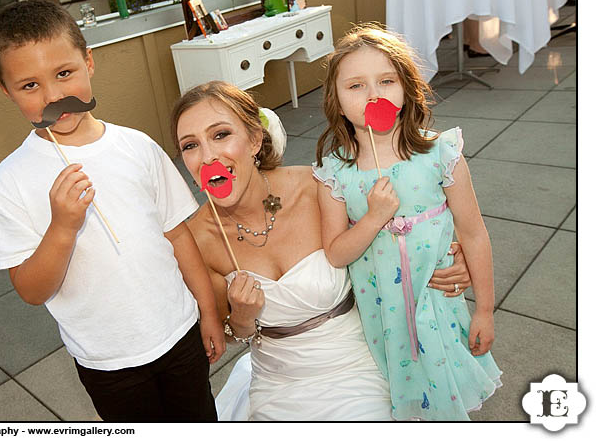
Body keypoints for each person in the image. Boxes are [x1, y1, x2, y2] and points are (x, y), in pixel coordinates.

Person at [171, 80, 473, 421]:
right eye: (190, 145)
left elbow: (399, 234)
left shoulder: (320, 187)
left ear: (255, 139)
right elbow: (233, 331)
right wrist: (241, 316)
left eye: (221, 134)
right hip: (277, 385)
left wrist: (450, 258)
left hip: (359, 365)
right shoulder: (195, 240)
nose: (207, 156)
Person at [0, 0, 225, 422]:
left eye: (64, 73)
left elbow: (178, 236)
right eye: (29, 86)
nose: (54, 96)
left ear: (89, 62)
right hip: (107, 361)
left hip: (179, 332)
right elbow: (32, 291)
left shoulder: (137, 146)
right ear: (5, 91)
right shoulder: (9, 183)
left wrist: (207, 310)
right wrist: (62, 228)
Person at [313, 23, 502, 420]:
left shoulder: (440, 154)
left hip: (437, 304)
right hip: (380, 312)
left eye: (386, 80)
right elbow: (335, 252)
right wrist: (375, 217)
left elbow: (473, 233)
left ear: (406, 86)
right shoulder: (334, 173)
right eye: (356, 86)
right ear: (336, 99)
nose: (374, 94)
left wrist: (485, 309)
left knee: (443, 390)